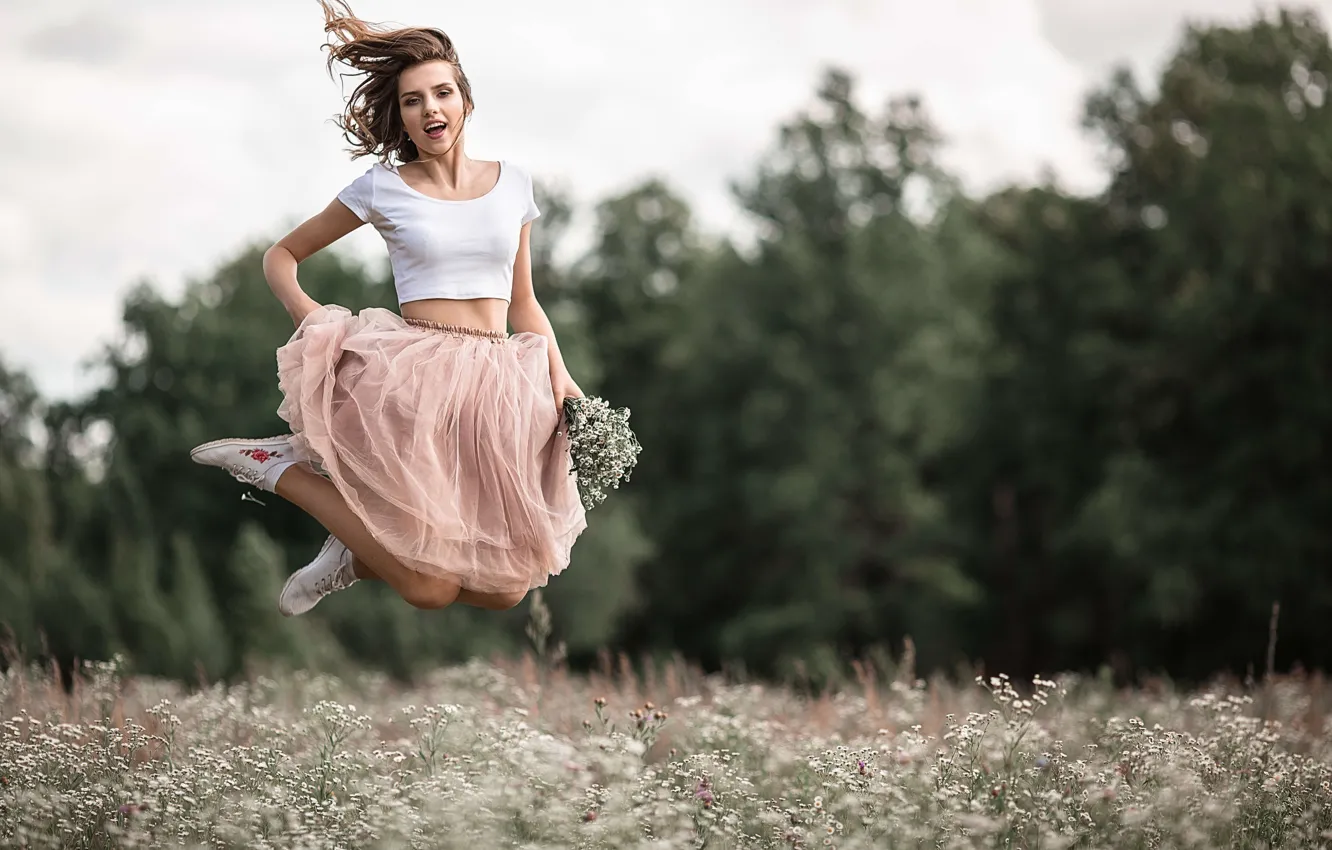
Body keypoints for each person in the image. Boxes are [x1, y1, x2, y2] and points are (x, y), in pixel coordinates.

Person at [190, 0, 587, 617]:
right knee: (430, 589)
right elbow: (281, 257)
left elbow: (525, 302)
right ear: (401, 117)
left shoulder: (515, 183)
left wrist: (560, 378)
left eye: (442, 93)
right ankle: (277, 470)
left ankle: (352, 555)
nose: (430, 108)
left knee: (506, 588)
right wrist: (312, 319)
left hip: (503, 389)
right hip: (418, 379)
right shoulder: (384, 187)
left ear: (466, 102)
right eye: (412, 100)